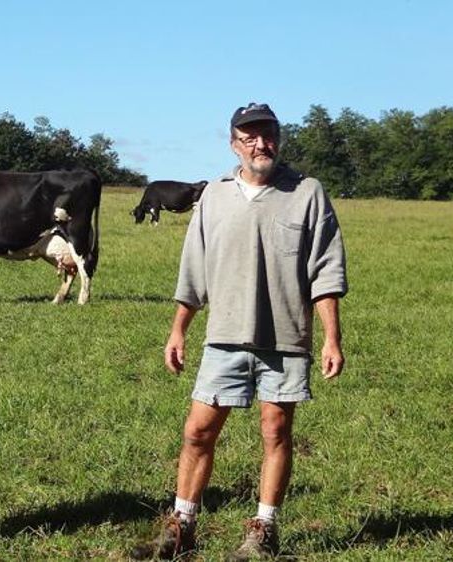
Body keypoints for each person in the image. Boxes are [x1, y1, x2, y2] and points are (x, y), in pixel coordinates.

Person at [131, 103, 348, 560]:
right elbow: (194, 270)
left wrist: (332, 338)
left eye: (266, 134)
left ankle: (263, 530)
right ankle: (182, 526)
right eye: (248, 136)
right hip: (223, 337)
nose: (259, 143)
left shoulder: (307, 192)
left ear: (279, 138)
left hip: (285, 339)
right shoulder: (213, 195)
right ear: (234, 144)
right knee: (197, 432)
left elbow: (325, 272)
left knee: (276, 431)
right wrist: (178, 331)